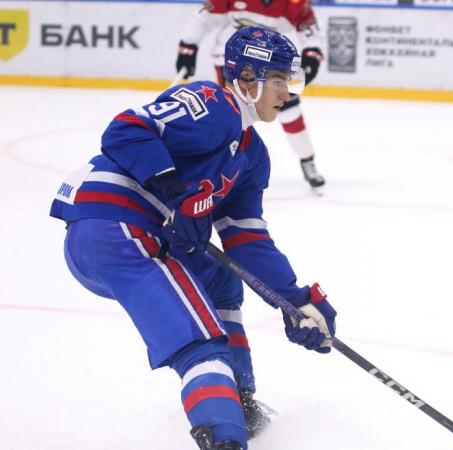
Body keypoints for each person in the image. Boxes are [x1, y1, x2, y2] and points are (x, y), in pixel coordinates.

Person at [50, 26, 337, 450]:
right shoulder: (214, 103)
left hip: (140, 234)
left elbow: (245, 237)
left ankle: (237, 397)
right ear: (247, 79)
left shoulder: (252, 154)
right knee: (201, 343)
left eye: (288, 81)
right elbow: (126, 129)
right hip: (114, 227)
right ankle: (225, 436)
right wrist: (173, 192)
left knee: (222, 281)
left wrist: (292, 300)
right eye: (278, 80)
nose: (286, 92)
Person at [176, 0, 326, 192]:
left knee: (289, 108)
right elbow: (202, 15)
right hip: (232, 59)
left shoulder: (293, 2)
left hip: (272, 62)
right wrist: (188, 46)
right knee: (232, 116)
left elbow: (310, 29)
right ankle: (222, 170)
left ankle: (307, 160)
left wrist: (312, 55)